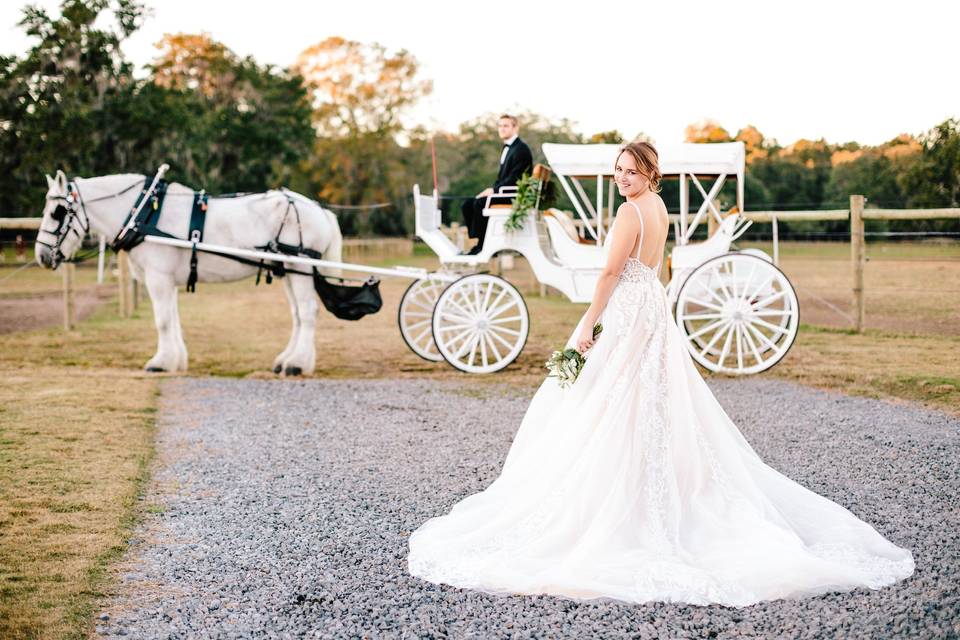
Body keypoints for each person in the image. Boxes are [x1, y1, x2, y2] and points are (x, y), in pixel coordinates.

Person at [408, 142, 914, 607]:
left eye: (630, 172)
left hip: (628, 306)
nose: (621, 179)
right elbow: (651, 265)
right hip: (649, 302)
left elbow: (609, 273)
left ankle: (616, 489)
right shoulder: (659, 209)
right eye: (618, 172)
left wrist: (589, 322)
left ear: (650, 174)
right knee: (639, 393)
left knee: (606, 394)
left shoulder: (632, 211)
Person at [460, 114, 533, 255]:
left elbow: (515, 178)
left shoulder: (521, 149)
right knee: (468, 204)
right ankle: (480, 242)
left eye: (505, 126)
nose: (502, 129)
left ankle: (483, 246)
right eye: (500, 126)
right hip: (504, 191)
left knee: (480, 204)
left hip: (514, 195)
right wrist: (492, 190)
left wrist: (494, 191)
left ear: (515, 128)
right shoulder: (509, 148)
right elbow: (502, 178)